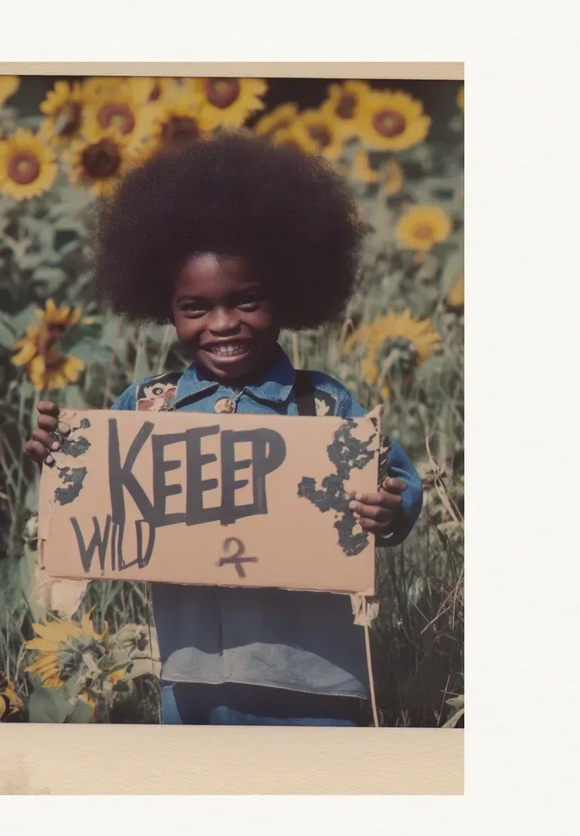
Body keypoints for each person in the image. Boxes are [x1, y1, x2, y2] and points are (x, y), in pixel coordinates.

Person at [23, 132, 422, 726]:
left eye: (247, 301)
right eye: (196, 308)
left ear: (285, 295)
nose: (223, 324)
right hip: (192, 682)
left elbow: (396, 485)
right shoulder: (147, 407)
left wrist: (390, 508)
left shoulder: (324, 406)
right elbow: (97, 492)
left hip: (318, 683)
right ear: (166, 309)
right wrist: (61, 456)